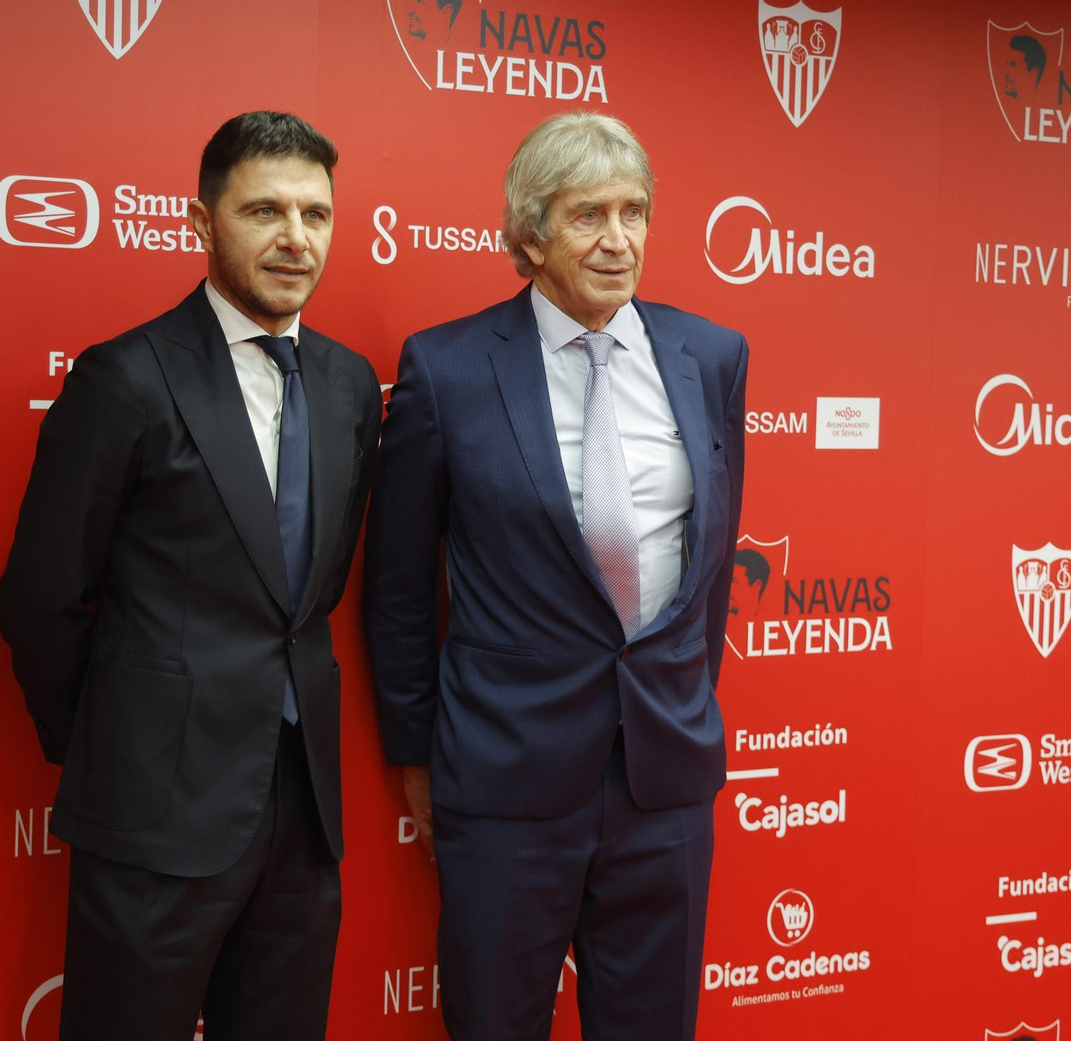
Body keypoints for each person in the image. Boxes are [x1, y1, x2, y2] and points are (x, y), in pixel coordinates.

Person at [362, 111, 747, 1041]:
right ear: (529, 235)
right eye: (588, 216)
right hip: (507, 777)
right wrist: (417, 753)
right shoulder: (447, 368)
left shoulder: (711, 357)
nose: (619, 240)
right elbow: (400, 584)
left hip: (663, 777)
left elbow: (710, 566)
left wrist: (685, 699)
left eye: (634, 212)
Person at [0, 110, 383, 1041]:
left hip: (302, 814)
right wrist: (118, 746)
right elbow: (42, 599)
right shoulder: (125, 378)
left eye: (316, 214)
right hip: (153, 809)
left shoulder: (350, 385)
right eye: (264, 211)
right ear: (202, 223)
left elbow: (313, 593)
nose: (296, 238)